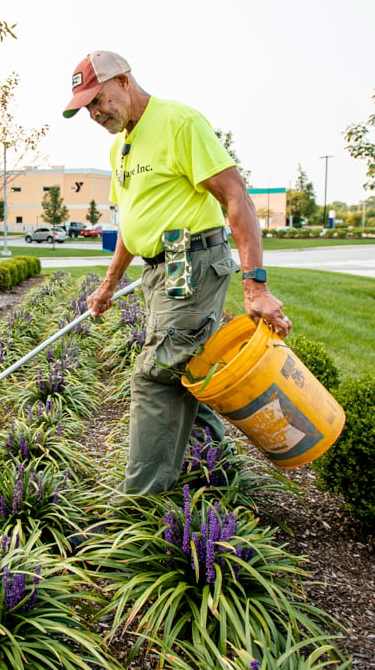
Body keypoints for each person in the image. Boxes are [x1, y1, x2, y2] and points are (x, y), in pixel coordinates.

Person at [63, 50, 291, 495]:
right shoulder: (119, 147)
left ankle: (140, 503)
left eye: (98, 99)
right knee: (186, 369)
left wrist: (255, 285)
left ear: (124, 82)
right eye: (86, 107)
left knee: (155, 374)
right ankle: (216, 473)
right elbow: (132, 221)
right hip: (158, 272)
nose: (93, 113)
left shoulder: (179, 122)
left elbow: (235, 196)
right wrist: (107, 285)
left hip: (192, 262)